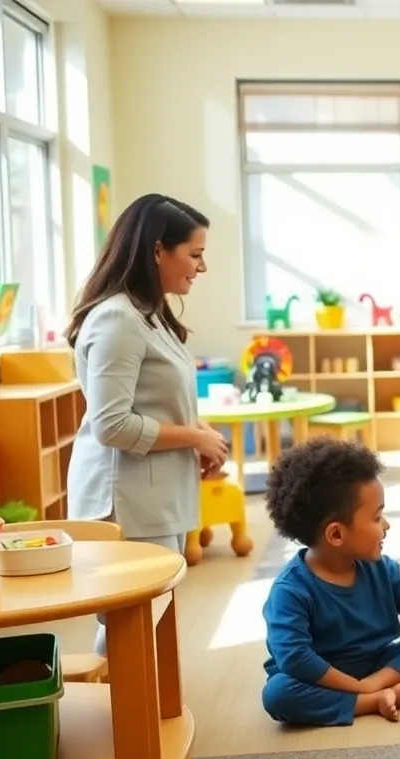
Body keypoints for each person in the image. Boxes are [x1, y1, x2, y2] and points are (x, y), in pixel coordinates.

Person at [65, 193, 229, 656]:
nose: (202, 267)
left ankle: (143, 716)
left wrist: (203, 436)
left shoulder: (149, 315)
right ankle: (120, 719)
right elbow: (112, 424)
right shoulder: (117, 319)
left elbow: (155, 402)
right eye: (195, 254)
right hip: (125, 497)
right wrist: (194, 436)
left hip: (153, 493)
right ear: (158, 249)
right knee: (131, 618)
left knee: (149, 614)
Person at [261, 439, 400, 726]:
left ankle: (378, 691)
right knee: (277, 695)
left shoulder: (381, 568)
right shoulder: (290, 590)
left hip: (377, 665)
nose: (387, 525)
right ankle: (384, 698)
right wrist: (361, 689)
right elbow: (295, 659)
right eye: (377, 517)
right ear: (336, 535)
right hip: (317, 678)